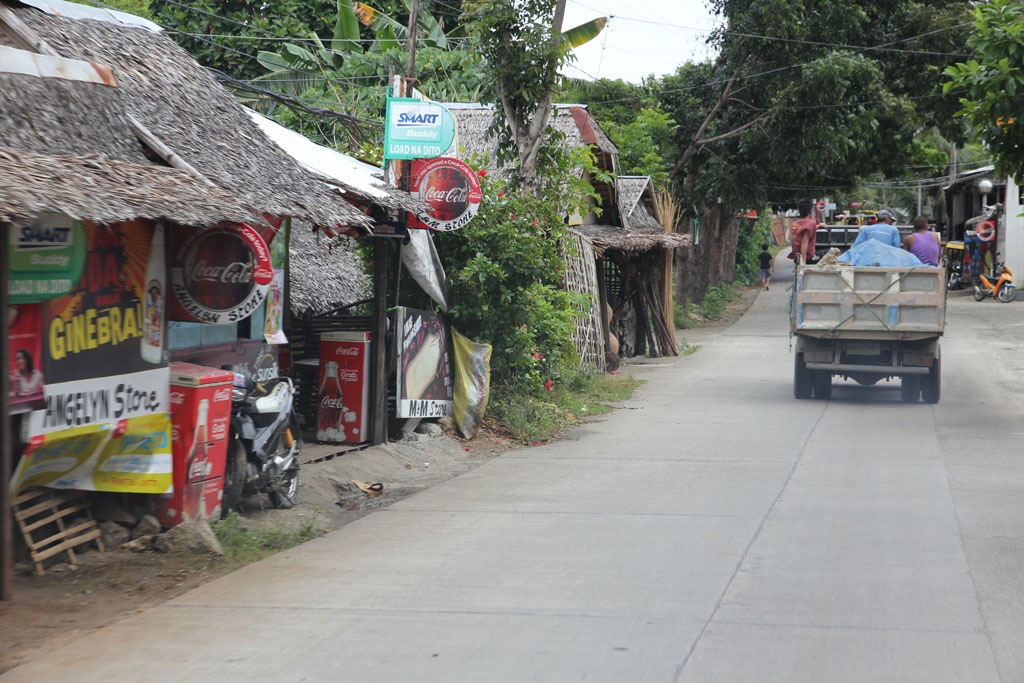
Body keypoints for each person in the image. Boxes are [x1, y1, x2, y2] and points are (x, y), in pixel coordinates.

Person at [788, 199, 825, 265]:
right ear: (810, 211)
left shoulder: (795, 223)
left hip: (796, 257)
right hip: (809, 257)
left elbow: (804, 231)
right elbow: (804, 242)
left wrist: (818, 225)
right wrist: (803, 262)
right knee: (836, 251)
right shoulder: (811, 223)